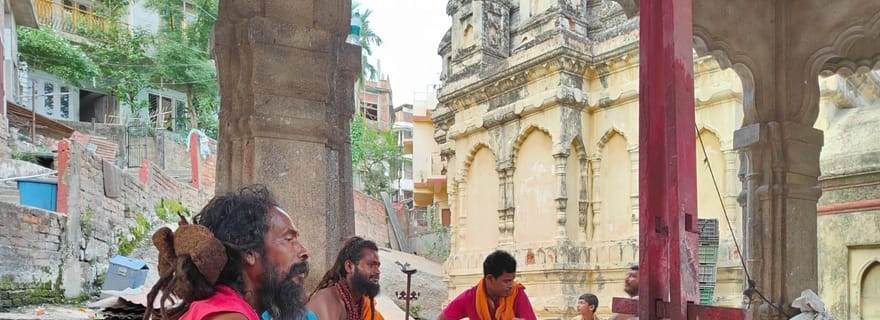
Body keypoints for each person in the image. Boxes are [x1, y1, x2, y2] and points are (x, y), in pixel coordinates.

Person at [143, 185, 313, 320]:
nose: (304, 252)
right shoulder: (228, 315)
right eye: (289, 240)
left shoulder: (226, 308)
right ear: (249, 252)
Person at [437, 250, 537, 320]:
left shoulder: (517, 293)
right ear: (490, 278)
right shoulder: (470, 298)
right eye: (506, 281)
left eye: (512, 280)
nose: (511, 285)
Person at [307, 236, 384, 320]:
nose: (377, 271)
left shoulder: (362, 304)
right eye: (371, 265)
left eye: (378, 266)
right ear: (349, 267)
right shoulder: (328, 301)